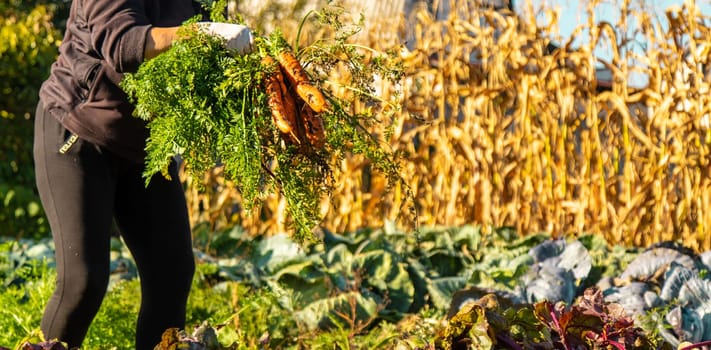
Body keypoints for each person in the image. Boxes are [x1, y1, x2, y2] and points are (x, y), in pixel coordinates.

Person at [33, 1, 253, 349]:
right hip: (79, 130)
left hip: (146, 147)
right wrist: (200, 34)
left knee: (172, 274)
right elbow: (124, 44)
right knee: (83, 282)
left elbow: (200, 68)